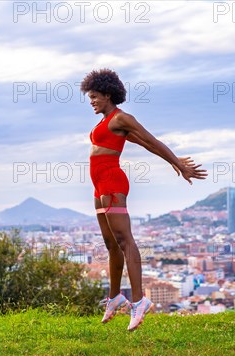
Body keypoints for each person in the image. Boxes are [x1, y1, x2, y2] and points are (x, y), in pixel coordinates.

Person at [80, 69, 208, 331]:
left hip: (113, 183)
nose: (91, 101)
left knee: (125, 241)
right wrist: (173, 161)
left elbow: (152, 141)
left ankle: (139, 301)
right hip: (99, 186)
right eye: (89, 97)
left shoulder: (121, 118)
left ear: (107, 94)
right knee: (110, 244)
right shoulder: (103, 123)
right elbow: (144, 144)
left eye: (94, 96)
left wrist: (177, 163)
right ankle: (115, 296)